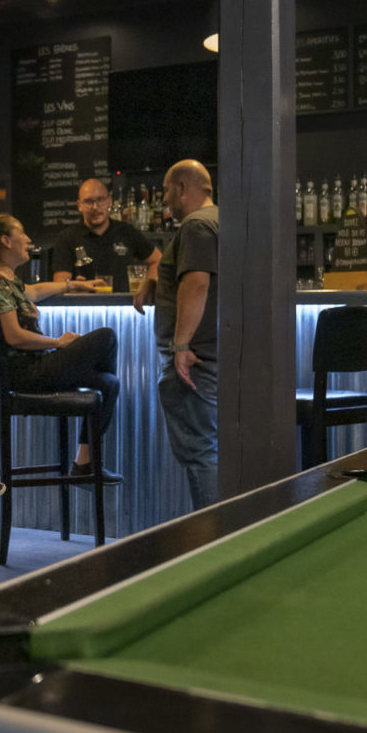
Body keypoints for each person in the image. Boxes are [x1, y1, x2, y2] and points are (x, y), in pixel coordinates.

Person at [0, 213, 122, 483]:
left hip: (30, 370)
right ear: (6, 241)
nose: (28, 239)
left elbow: (35, 292)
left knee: (108, 383)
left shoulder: (6, 281)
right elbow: (14, 337)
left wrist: (74, 284)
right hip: (24, 375)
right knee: (106, 337)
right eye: (21, 232)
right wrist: (58, 342)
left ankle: (84, 463)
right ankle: (87, 464)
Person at [137, 160, 218, 509]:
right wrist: (157, 281)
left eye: (167, 191)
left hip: (196, 358)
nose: (165, 200)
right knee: (212, 450)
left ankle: (216, 534)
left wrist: (181, 345)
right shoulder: (221, 220)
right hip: (216, 352)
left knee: (201, 453)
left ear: (182, 187)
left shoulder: (196, 226)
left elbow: (197, 283)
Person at [53, 178, 160, 300]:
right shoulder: (67, 238)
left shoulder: (126, 231)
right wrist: (74, 287)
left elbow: (157, 260)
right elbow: (59, 283)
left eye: (100, 200)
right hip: (85, 306)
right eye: (88, 201)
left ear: (109, 201)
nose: (95, 207)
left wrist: (148, 286)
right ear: (79, 206)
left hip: (124, 306)